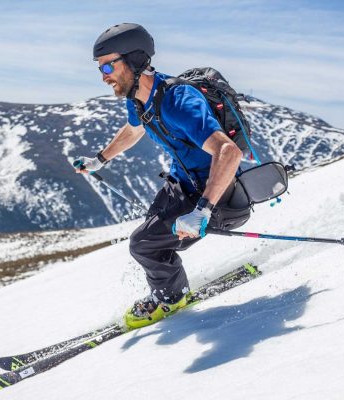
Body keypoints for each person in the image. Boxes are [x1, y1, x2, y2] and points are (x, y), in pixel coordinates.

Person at [75, 23, 248, 329]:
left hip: (217, 196)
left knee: (143, 243)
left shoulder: (178, 102)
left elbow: (229, 152)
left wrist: (202, 211)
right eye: (99, 67)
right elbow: (134, 129)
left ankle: (172, 299)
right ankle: (168, 289)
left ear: (135, 60)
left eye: (107, 65)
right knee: (151, 238)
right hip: (182, 186)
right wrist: (100, 160)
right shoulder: (140, 98)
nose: (103, 75)